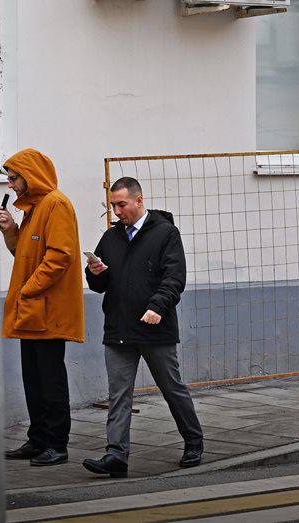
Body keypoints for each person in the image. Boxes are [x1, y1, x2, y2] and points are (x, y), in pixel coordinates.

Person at [82, 177, 203, 478]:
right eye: (112, 205)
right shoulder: (111, 238)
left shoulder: (165, 233)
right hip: (119, 329)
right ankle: (116, 456)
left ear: (139, 200)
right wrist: (94, 272)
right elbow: (99, 286)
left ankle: (193, 441)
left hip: (154, 329)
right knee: (119, 395)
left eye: (121, 204)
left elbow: (174, 278)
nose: (116, 211)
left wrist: (156, 307)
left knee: (171, 388)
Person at [0, 149, 84, 467]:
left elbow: (60, 257)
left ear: (30, 176)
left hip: (46, 309)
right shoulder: (34, 209)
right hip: (34, 310)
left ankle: (56, 444)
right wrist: (10, 229)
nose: (10, 184)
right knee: (33, 378)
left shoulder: (56, 205)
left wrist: (28, 290)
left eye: (14, 177)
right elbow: (24, 253)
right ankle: (38, 440)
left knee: (50, 378)